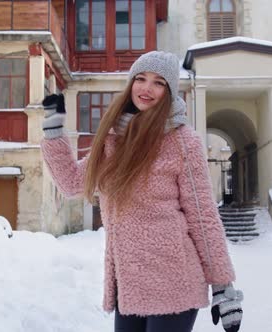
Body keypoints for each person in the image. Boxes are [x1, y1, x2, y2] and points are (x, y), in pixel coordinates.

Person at [41, 51, 243, 332]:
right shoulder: (113, 140)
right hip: (129, 285)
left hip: (174, 281)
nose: (147, 88)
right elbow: (72, 182)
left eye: (159, 83)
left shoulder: (183, 141)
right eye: (141, 78)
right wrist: (53, 132)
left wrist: (223, 284)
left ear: (170, 92)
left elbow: (203, 215)